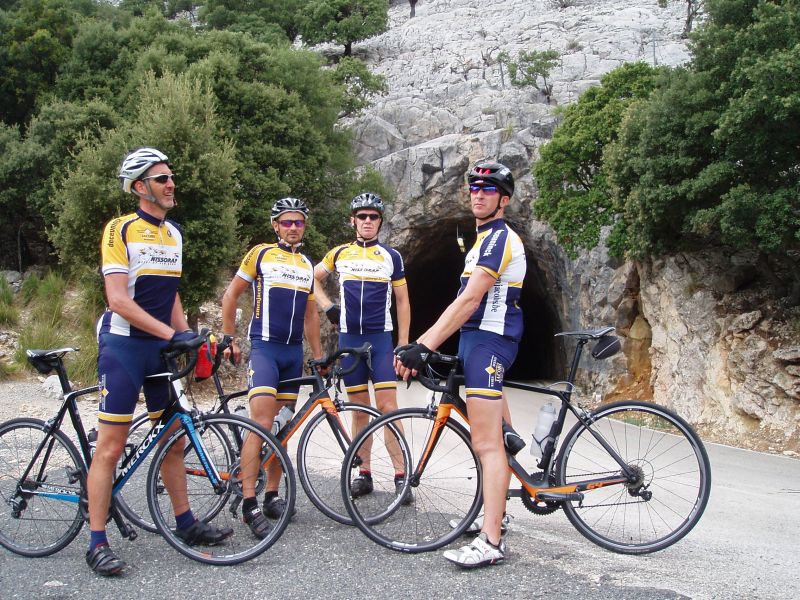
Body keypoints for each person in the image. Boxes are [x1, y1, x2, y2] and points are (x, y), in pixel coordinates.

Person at [88, 147, 232, 576]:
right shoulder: (121, 229)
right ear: (139, 187)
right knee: (111, 446)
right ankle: (96, 541)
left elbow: (170, 295)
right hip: (124, 347)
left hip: (158, 349)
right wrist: (173, 335)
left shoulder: (175, 234)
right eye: (162, 179)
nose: (171, 184)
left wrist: (185, 336)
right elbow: (117, 299)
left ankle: (185, 522)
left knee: (173, 436)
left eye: (171, 177)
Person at [395, 160, 526, 568]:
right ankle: (495, 513)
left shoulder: (499, 239)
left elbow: (470, 300)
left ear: (503, 200)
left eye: (488, 190)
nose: (479, 194)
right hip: (475, 341)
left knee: (485, 443)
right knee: (497, 439)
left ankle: (491, 542)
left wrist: (423, 344)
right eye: (474, 188)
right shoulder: (480, 241)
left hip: (490, 342)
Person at [221, 197, 324, 538]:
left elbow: (311, 315)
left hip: (293, 354)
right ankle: (249, 501)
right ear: (276, 225)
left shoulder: (308, 264)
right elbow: (231, 296)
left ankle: (272, 495)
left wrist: (319, 355)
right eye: (287, 222)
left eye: (298, 223)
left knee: (283, 428)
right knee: (262, 423)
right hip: (265, 349)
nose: (293, 227)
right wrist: (229, 338)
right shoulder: (261, 253)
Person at [313, 193, 411, 498]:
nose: (367, 221)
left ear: (380, 221)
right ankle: (364, 472)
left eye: (373, 216)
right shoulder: (340, 253)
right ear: (352, 220)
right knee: (359, 411)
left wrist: (404, 345)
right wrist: (327, 305)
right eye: (362, 216)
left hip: (380, 340)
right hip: (349, 340)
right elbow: (310, 278)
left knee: (388, 408)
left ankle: (401, 475)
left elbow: (403, 301)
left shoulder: (392, 257)